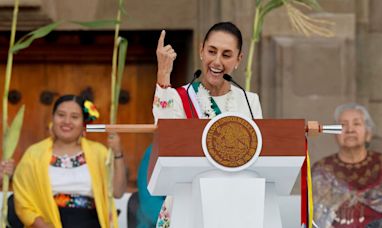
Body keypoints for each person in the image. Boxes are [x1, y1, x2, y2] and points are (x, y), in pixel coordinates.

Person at [153, 21, 263, 227]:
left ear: (239, 60)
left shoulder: (249, 101)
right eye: (212, 51)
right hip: (188, 204)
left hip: (235, 206)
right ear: (201, 51)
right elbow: (164, 135)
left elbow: (260, 157)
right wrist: (164, 73)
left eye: (227, 55)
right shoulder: (180, 97)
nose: (217, 61)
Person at [13, 95, 127, 228]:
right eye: (61, 115)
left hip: (90, 222)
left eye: (74, 117)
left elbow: (117, 192)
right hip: (48, 223)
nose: (67, 121)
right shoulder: (34, 154)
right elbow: (22, 200)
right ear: (53, 118)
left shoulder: (98, 152)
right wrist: (41, 225)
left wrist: (117, 152)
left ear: (83, 122)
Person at [312, 103, 382, 228]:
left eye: (356, 124)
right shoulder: (322, 169)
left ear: (368, 133)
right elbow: (314, 217)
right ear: (335, 134)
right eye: (343, 125)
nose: (350, 130)